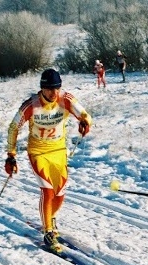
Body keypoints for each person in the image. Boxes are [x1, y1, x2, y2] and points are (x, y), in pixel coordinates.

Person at [5, 69, 92, 253]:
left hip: (58, 150)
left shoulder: (65, 99)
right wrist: (11, 155)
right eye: (50, 89)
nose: (54, 93)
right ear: (42, 89)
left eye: (57, 88)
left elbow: (85, 115)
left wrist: (85, 123)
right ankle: (48, 232)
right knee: (47, 189)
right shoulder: (31, 105)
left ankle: (50, 217)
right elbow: (13, 128)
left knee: (60, 193)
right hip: (38, 151)